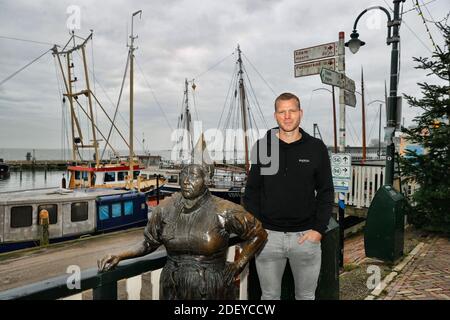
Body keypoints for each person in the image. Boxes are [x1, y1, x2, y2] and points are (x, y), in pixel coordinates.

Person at [98, 164, 267, 300]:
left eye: (194, 176)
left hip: (210, 288)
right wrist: (120, 255)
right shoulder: (165, 209)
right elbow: (148, 243)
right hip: (172, 286)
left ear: (206, 180)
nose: (187, 181)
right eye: (184, 175)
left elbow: (259, 233)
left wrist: (239, 263)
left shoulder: (224, 210)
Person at [243, 92, 334, 300]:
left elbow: (326, 191)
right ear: (275, 116)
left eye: (292, 111)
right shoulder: (263, 147)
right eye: (282, 112)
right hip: (268, 239)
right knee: (269, 297)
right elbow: (252, 192)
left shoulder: (316, 148)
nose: (287, 116)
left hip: (305, 238)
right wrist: (259, 228)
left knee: (305, 297)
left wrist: (318, 230)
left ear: (300, 113)